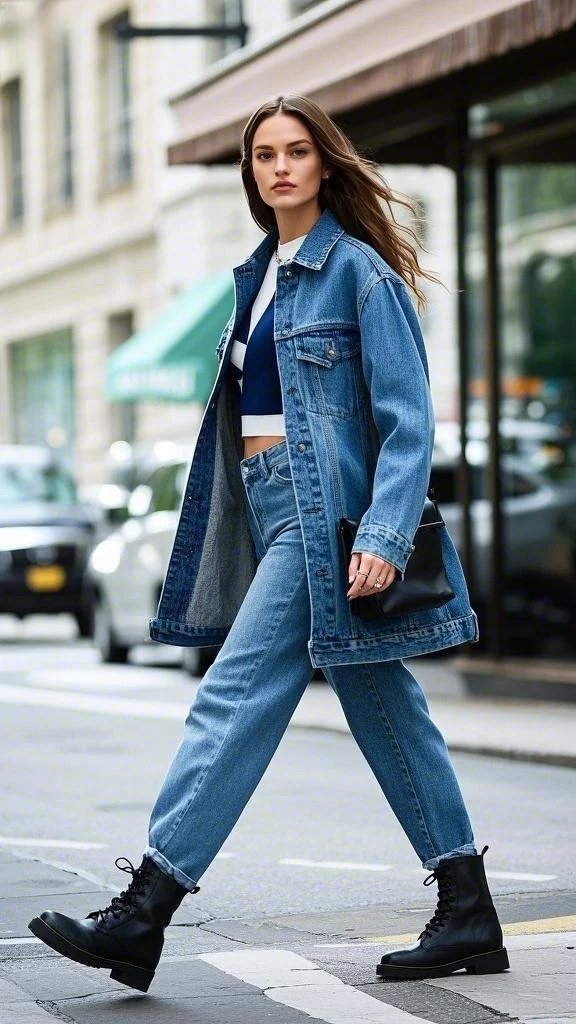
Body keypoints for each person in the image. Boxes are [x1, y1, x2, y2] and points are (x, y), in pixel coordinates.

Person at [29, 95, 509, 993]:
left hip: (326, 519)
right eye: (263, 155)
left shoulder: (358, 273)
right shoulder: (258, 275)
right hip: (267, 507)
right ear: (250, 172)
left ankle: (146, 910)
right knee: (383, 706)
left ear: (325, 164)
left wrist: (386, 532)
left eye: (296, 151)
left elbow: (408, 428)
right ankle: (468, 907)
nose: (279, 167)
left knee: (234, 694)